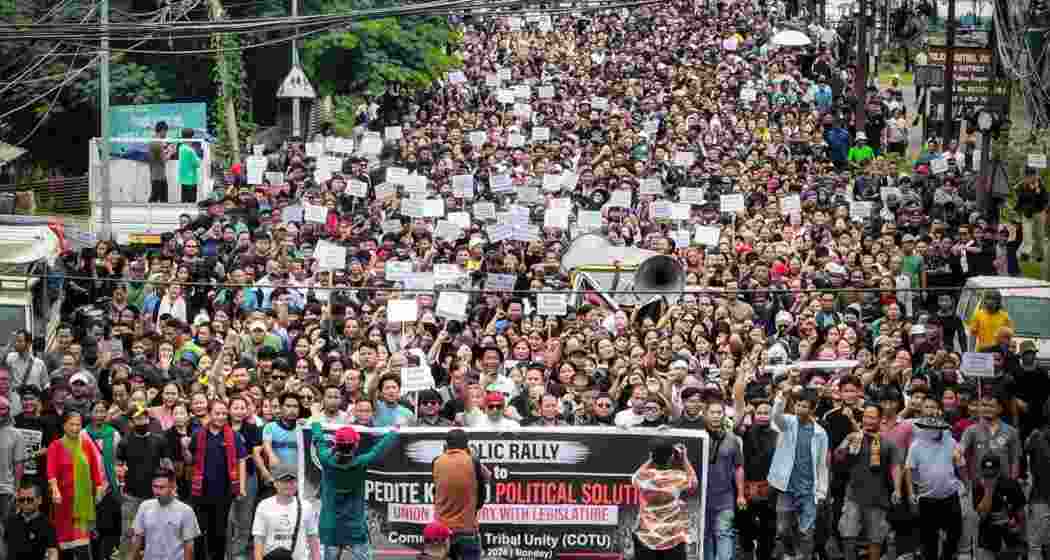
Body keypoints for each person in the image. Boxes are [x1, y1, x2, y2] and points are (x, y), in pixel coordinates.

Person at [312, 422, 399, 560]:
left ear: (335, 444)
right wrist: (393, 431)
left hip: (330, 527)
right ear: (356, 445)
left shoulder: (325, 459)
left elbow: (319, 441)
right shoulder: (361, 462)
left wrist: (315, 424)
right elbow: (378, 450)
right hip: (355, 527)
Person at [834, 404, 903, 560]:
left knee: (876, 538)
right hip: (853, 496)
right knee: (848, 535)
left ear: (880, 419)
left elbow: (896, 466)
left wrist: (897, 489)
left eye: (872, 417)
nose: (867, 421)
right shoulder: (854, 437)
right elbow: (838, 458)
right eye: (865, 417)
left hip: (878, 498)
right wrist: (846, 444)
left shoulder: (888, 442)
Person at [767, 386, 828, 560]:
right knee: (782, 529)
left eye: (805, 406)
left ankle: (804, 557)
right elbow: (776, 417)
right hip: (786, 487)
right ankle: (790, 553)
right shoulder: (788, 422)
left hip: (809, 489)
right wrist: (781, 398)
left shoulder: (820, 433)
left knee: (806, 532)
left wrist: (822, 491)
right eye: (798, 405)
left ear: (813, 408)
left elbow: (822, 464)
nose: (800, 409)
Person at [186, 400, 247, 560]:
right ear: (209, 414)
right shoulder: (198, 435)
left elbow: (241, 460)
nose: (221, 417)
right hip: (201, 491)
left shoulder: (233, 436)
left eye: (224, 414)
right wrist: (184, 448)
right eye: (217, 413)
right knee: (199, 529)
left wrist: (242, 487)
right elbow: (190, 460)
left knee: (219, 530)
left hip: (224, 491)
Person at [46, 409, 106, 560]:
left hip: (84, 504)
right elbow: (51, 471)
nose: (75, 428)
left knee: (83, 548)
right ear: (64, 426)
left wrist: (99, 488)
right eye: (71, 424)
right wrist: (55, 490)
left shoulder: (86, 444)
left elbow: (95, 469)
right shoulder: (56, 446)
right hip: (64, 503)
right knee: (65, 547)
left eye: (78, 425)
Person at [906, 413, 964, 560]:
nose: (933, 430)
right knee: (928, 539)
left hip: (950, 495)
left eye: (936, 427)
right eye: (929, 427)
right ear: (924, 428)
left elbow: (961, 464)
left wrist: (966, 484)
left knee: (954, 534)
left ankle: (947, 556)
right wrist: (911, 493)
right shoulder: (916, 445)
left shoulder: (951, 442)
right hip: (927, 498)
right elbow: (909, 469)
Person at [631, 439, 698, 560]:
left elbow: (635, 476)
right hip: (672, 539)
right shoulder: (678, 477)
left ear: (651, 456)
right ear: (671, 457)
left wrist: (652, 458)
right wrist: (684, 459)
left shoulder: (643, 477)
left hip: (646, 538)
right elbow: (694, 482)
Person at [118, 403, 172, 545]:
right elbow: (119, 467)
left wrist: (172, 488)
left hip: (156, 495)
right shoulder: (124, 442)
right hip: (131, 496)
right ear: (131, 422)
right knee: (129, 536)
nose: (142, 421)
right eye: (138, 418)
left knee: (157, 536)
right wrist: (120, 473)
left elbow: (167, 466)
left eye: (144, 417)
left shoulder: (160, 440)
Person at [432, 429, 489, 560]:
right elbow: (487, 478)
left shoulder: (437, 461)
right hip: (467, 528)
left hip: (441, 528)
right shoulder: (472, 461)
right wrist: (473, 455)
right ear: (466, 445)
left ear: (446, 445)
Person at [128, 467, 201, 560]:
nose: (157, 491)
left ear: (172, 486)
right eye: (154, 486)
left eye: (161, 487)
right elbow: (137, 539)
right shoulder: (145, 506)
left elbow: (189, 546)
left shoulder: (186, 511)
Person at [251, 464, 320, 560]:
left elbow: (313, 538)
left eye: (292, 481)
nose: (289, 485)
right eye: (284, 481)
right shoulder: (264, 506)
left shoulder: (306, 506)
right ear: (275, 483)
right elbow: (259, 540)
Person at [86, 400, 122, 560]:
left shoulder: (114, 434)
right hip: (89, 489)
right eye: (96, 411)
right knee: (92, 530)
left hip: (109, 488)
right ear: (90, 413)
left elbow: (119, 461)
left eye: (103, 411)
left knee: (108, 528)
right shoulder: (82, 435)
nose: (99, 415)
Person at [973, 454, 1025, 559]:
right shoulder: (978, 486)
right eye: (986, 474)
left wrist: (1020, 530)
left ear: (999, 470)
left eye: (993, 473)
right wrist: (989, 491)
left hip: (1010, 538)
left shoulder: (1011, 485)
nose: (990, 476)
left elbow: (1021, 513)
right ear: (982, 471)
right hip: (987, 538)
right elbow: (982, 515)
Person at [4, 481, 57, 560]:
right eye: (22, 500)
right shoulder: (10, 521)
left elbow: (53, 552)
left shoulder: (47, 525)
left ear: (39, 500)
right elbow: (5, 549)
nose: (25, 503)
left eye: (30, 500)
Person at [0, 395, 25, 525]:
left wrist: (16, 490)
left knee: (7, 528)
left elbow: (18, 465)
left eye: (3, 409)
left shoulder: (16, 434)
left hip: (6, 490)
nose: (1, 412)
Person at [149, 121, 170, 203]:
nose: (166, 134)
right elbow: (163, 160)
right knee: (160, 199)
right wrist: (171, 152)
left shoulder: (153, 140)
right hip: (159, 176)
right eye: (166, 132)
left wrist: (166, 151)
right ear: (162, 131)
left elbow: (157, 157)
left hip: (156, 174)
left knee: (155, 198)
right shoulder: (158, 142)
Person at [178, 128, 200, 203]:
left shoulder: (181, 148)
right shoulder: (191, 150)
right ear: (191, 138)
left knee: (184, 201)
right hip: (191, 180)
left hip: (183, 179)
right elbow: (197, 164)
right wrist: (198, 157)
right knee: (192, 202)